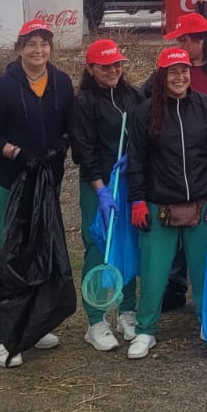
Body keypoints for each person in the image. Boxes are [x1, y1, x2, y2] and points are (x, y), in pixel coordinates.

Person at [0, 19, 76, 366]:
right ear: (19, 49)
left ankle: (34, 323)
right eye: (31, 44)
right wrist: (16, 153)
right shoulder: (4, 86)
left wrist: (62, 145)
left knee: (39, 250)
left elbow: (69, 127)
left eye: (44, 44)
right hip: (10, 182)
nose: (38, 50)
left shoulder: (61, 83)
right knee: (7, 252)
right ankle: (7, 334)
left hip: (46, 182)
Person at [126, 46, 207, 360]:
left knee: (203, 270)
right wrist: (137, 200)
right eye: (173, 72)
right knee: (153, 272)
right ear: (162, 76)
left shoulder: (206, 106)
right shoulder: (145, 112)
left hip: (202, 204)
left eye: (184, 71)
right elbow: (136, 160)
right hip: (158, 204)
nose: (180, 77)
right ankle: (146, 329)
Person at [69, 39, 143, 352]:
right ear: (91, 69)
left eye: (117, 64)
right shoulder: (84, 102)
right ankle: (96, 319)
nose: (113, 70)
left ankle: (127, 311)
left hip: (130, 182)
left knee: (128, 244)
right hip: (99, 185)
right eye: (105, 66)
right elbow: (83, 150)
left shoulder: (132, 96)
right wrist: (100, 190)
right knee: (100, 244)